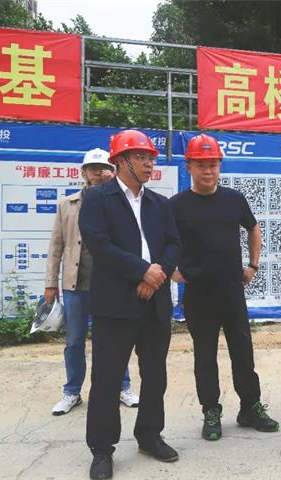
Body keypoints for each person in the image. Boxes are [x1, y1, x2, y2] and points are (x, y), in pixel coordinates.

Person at [79, 129, 181, 479]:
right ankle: (102, 449)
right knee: (107, 379)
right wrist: (142, 271)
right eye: (141, 157)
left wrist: (157, 274)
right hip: (115, 304)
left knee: (155, 375)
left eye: (151, 158)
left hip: (155, 302)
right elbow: (99, 244)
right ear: (121, 161)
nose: (149, 163)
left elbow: (173, 243)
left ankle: (150, 435)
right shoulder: (98, 198)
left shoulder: (160, 203)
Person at [169, 134, 279, 442]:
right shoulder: (177, 205)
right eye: (201, 165)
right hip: (198, 293)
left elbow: (253, 228)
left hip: (232, 290)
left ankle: (250, 407)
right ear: (189, 167)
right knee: (205, 355)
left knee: (242, 351)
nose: (208, 171)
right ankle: (211, 411)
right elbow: (163, 240)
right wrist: (171, 270)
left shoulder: (234, 199)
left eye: (213, 164)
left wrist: (253, 265)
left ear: (219, 166)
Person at [45, 149, 140, 416]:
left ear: (113, 170)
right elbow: (56, 247)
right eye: (92, 168)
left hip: (109, 285)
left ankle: (122, 387)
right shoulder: (68, 204)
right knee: (74, 341)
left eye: (104, 167)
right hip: (76, 285)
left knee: (113, 339)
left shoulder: (121, 201)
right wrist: (51, 283)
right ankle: (72, 392)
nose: (99, 172)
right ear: (83, 172)